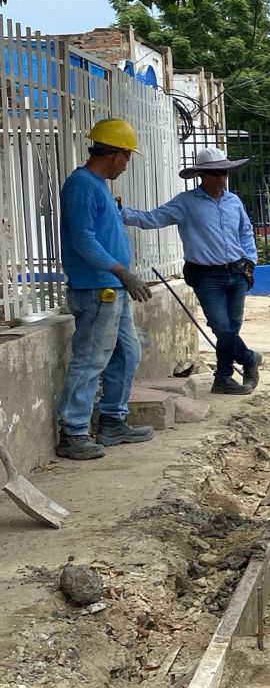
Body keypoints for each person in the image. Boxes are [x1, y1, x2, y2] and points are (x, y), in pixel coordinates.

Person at [122, 147, 262, 395]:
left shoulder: (234, 201)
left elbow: (246, 231)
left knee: (232, 328)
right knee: (221, 326)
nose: (220, 179)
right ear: (201, 175)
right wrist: (120, 213)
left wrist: (250, 260)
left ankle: (223, 378)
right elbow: (152, 218)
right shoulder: (186, 203)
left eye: (224, 174)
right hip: (207, 276)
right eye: (214, 174)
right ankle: (249, 359)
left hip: (238, 273)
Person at [55, 119, 156, 461]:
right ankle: (73, 432)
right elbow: (83, 239)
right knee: (90, 359)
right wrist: (121, 271)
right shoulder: (81, 186)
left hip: (111, 287)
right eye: (127, 158)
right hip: (97, 288)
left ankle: (113, 420)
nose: (126, 166)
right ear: (115, 155)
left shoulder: (95, 186)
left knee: (127, 353)